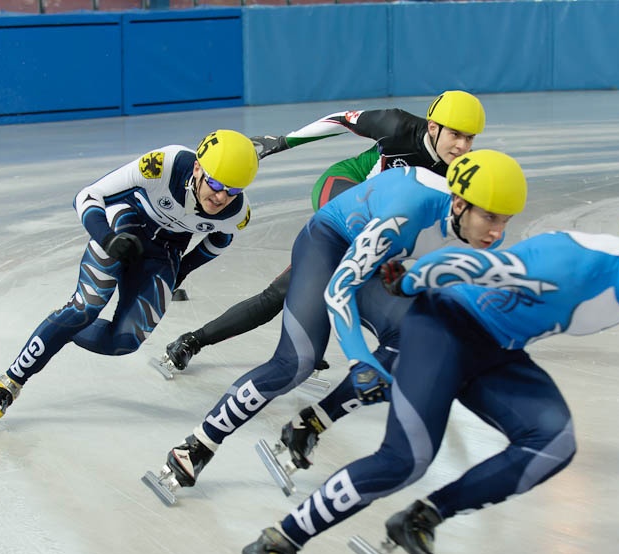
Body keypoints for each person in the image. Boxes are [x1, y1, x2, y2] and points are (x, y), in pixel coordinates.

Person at [229, 196, 619, 554]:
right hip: (443, 328)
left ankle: (421, 518)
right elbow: (472, 262)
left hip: (497, 349)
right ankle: (279, 540)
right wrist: (412, 280)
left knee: (552, 440)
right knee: (407, 459)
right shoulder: (568, 267)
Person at [147, 149, 527, 493]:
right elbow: (341, 287)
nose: (498, 233)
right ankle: (196, 446)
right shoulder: (407, 213)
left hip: (376, 253)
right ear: (459, 204)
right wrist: (359, 356)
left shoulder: (472, 227)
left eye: (506, 220)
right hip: (328, 242)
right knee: (296, 362)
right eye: (491, 218)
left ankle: (309, 424)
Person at [159, 90, 486, 374]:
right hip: (343, 186)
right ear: (432, 127)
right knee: (358, 267)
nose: (461, 146)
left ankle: (194, 340)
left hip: (378, 217)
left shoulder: (464, 172)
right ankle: (298, 335)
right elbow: (341, 120)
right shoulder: (398, 125)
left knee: (281, 293)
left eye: (469, 138)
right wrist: (284, 141)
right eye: (455, 135)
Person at [0, 130, 259, 437]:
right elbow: (86, 195)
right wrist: (107, 238)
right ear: (198, 168)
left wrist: (181, 272)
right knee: (87, 307)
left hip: (164, 255)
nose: (221, 197)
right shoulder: (164, 165)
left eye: (233, 190)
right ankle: (11, 381)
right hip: (124, 228)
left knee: (124, 341)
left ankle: (61, 329)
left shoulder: (237, 212)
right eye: (215, 184)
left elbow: (219, 241)